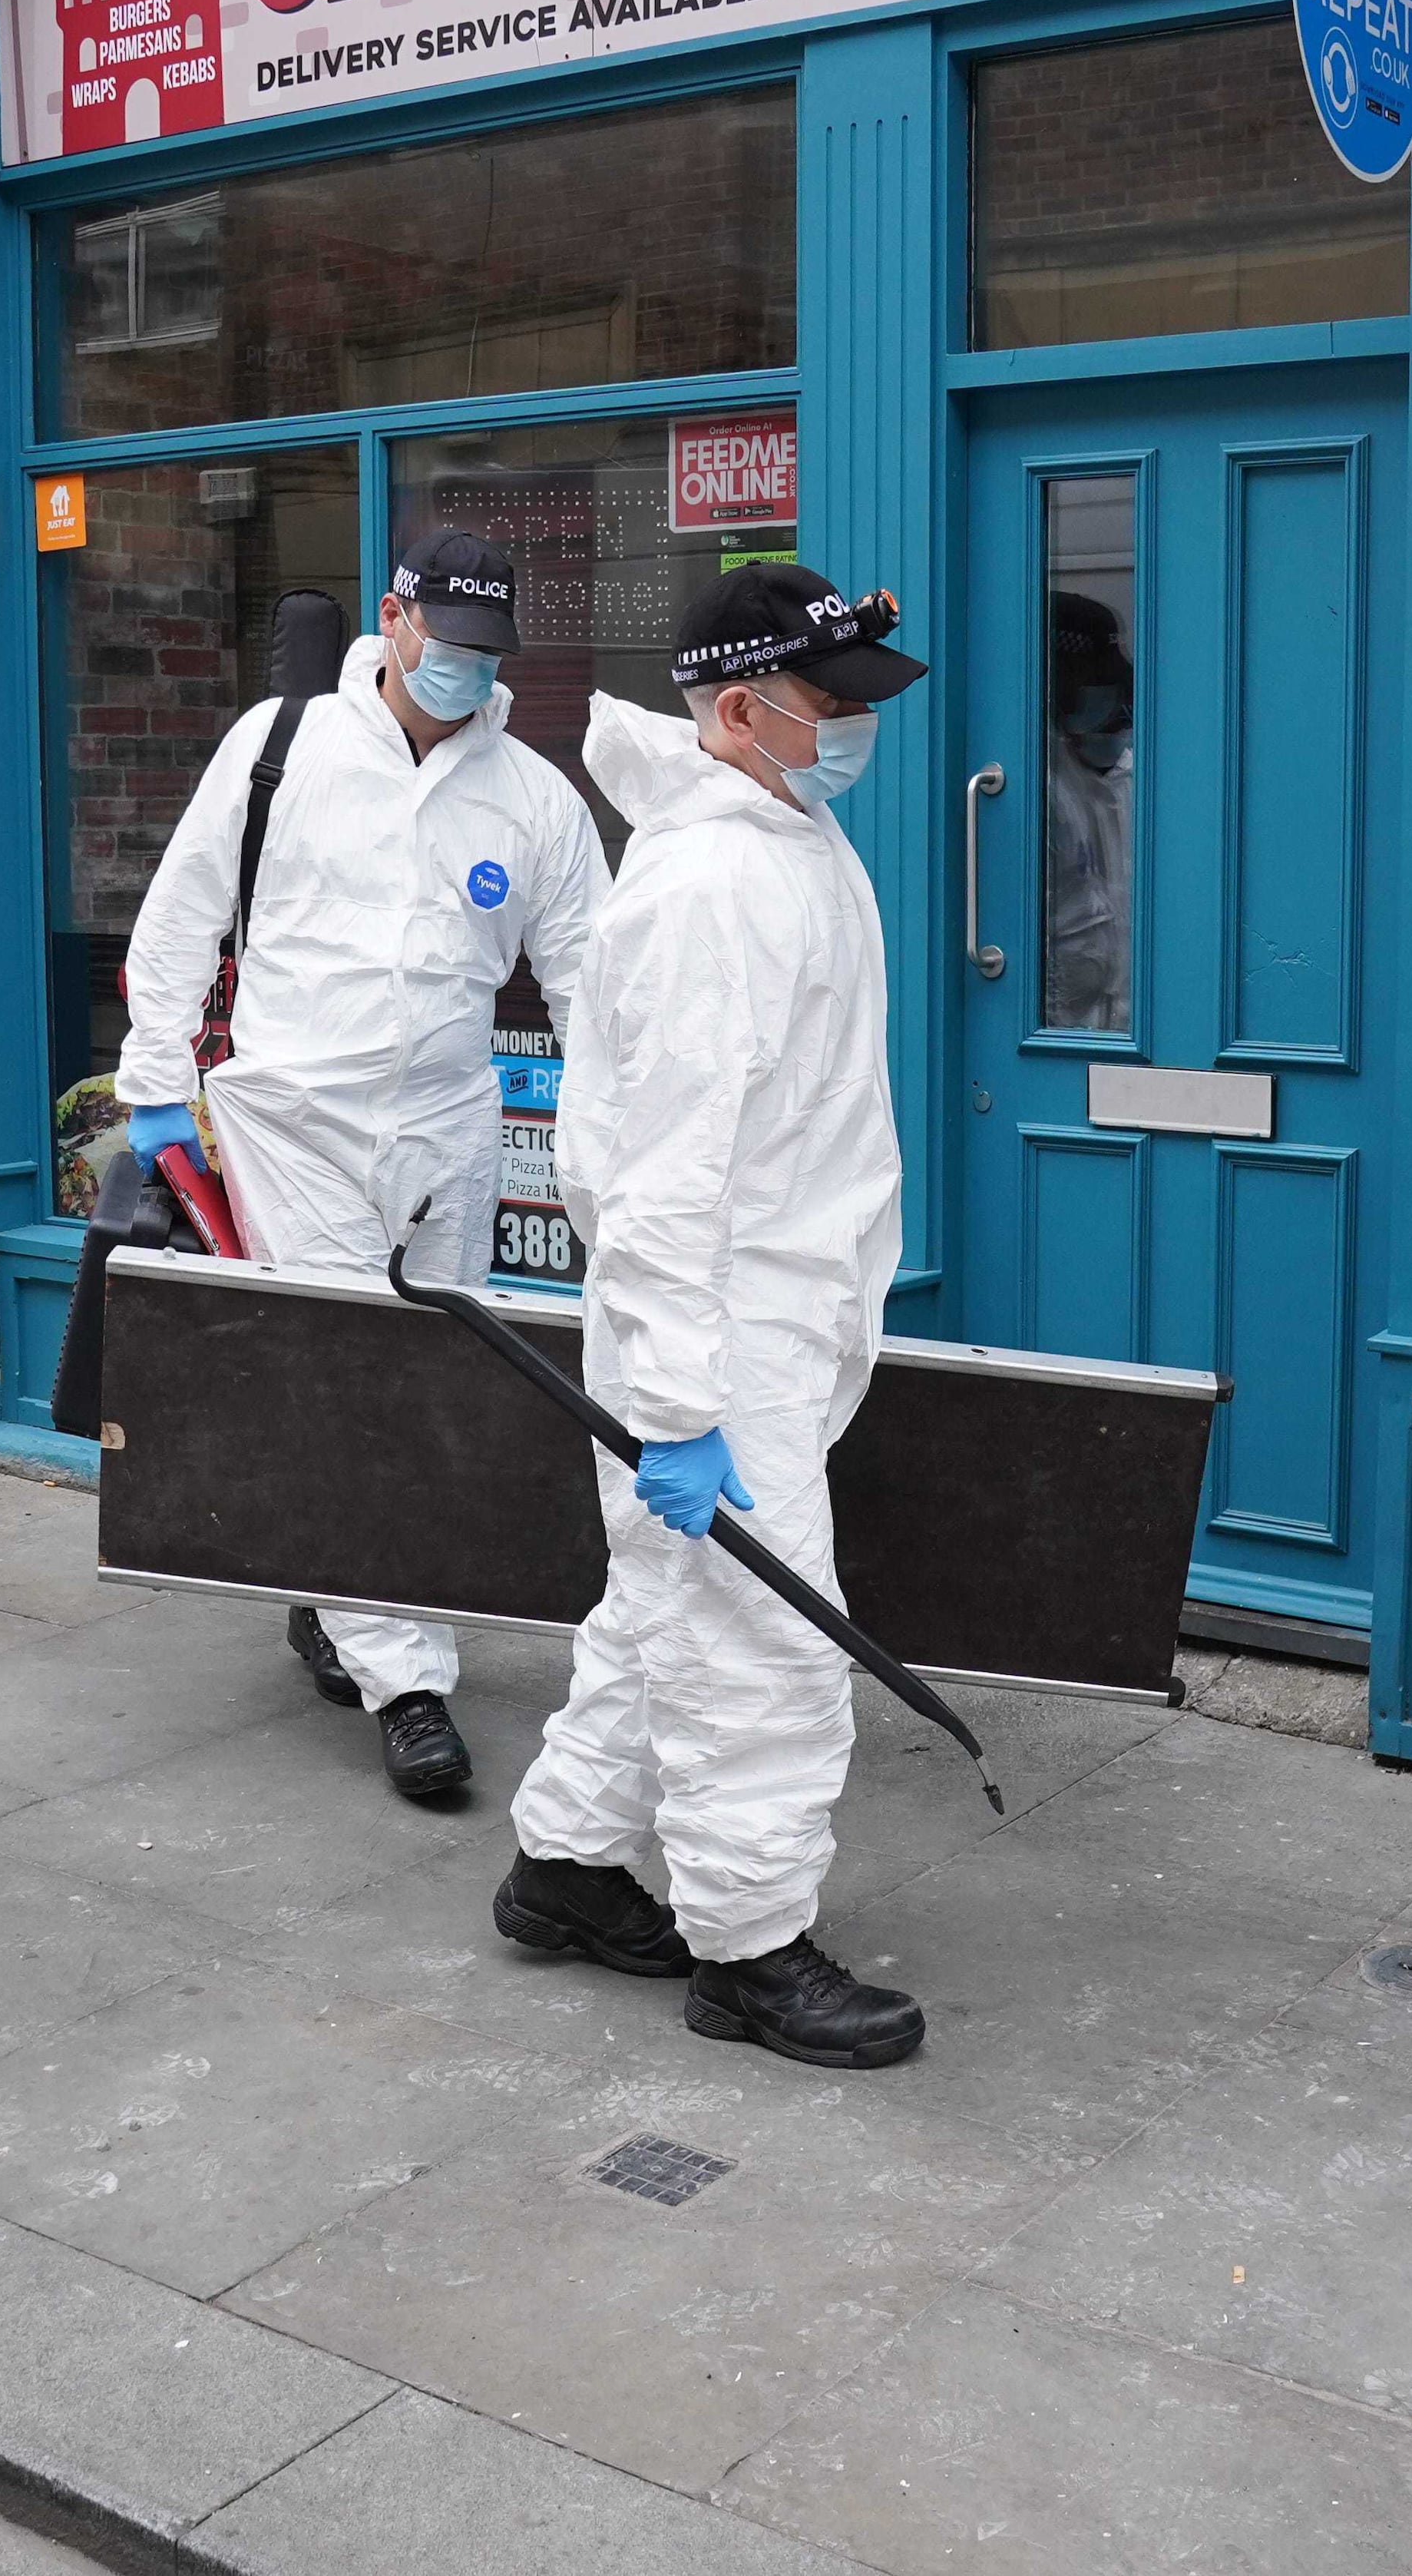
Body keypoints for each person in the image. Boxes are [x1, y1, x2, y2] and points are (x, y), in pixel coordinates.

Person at [493, 565, 928, 2070]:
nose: (855, 729)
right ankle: (748, 1951)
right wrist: (679, 1412)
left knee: (667, 1612)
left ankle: (563, 1870)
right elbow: (668, 1185)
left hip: (762, 1321)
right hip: (719, 1334)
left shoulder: (777, 838)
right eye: (832, 705)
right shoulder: (716, 886)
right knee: (763, 1647)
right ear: (738, 711)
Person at [116, 530, 603, 1797]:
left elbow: (593, 987)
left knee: (431, 1388)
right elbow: (180, 917)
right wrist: (156, 1085)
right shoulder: (283, 750)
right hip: (294, 1119)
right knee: (352, 1382)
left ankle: (330, 1590)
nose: (464, 672)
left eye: (486, 654)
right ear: (393, 619)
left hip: (448, 1124)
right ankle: (411, 1684)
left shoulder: (533, 798)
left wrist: (618, 1140)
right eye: (444, 643)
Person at [1040, 592, 1135, 1034]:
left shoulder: (1125, 780)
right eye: (1099, 696)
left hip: (1119, 1031)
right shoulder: (1039, 790)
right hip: (1055, 1039)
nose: (1117, 717)